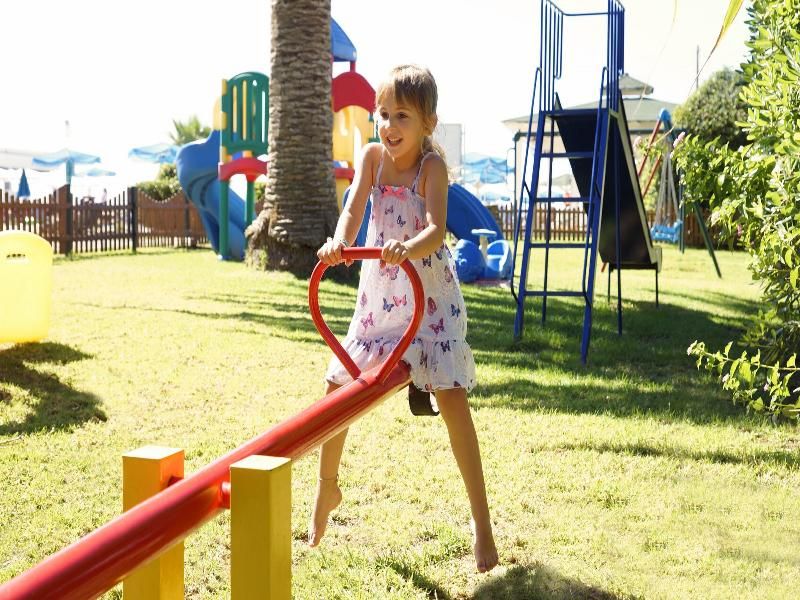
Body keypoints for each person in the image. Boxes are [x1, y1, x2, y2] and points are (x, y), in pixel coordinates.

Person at [313, 65, 498, 573]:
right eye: (384, 114)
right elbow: (353, 211)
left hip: (428, 300)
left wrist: (407, 247)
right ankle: (327, 488)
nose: (389, 126)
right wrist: (339, 242)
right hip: (381, 300)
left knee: (453, 400)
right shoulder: (372, 158)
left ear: (427, 123)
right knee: (336, 387)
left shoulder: (431, 168)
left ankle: (482, 524)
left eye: (402, 117)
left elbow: (437, 229)